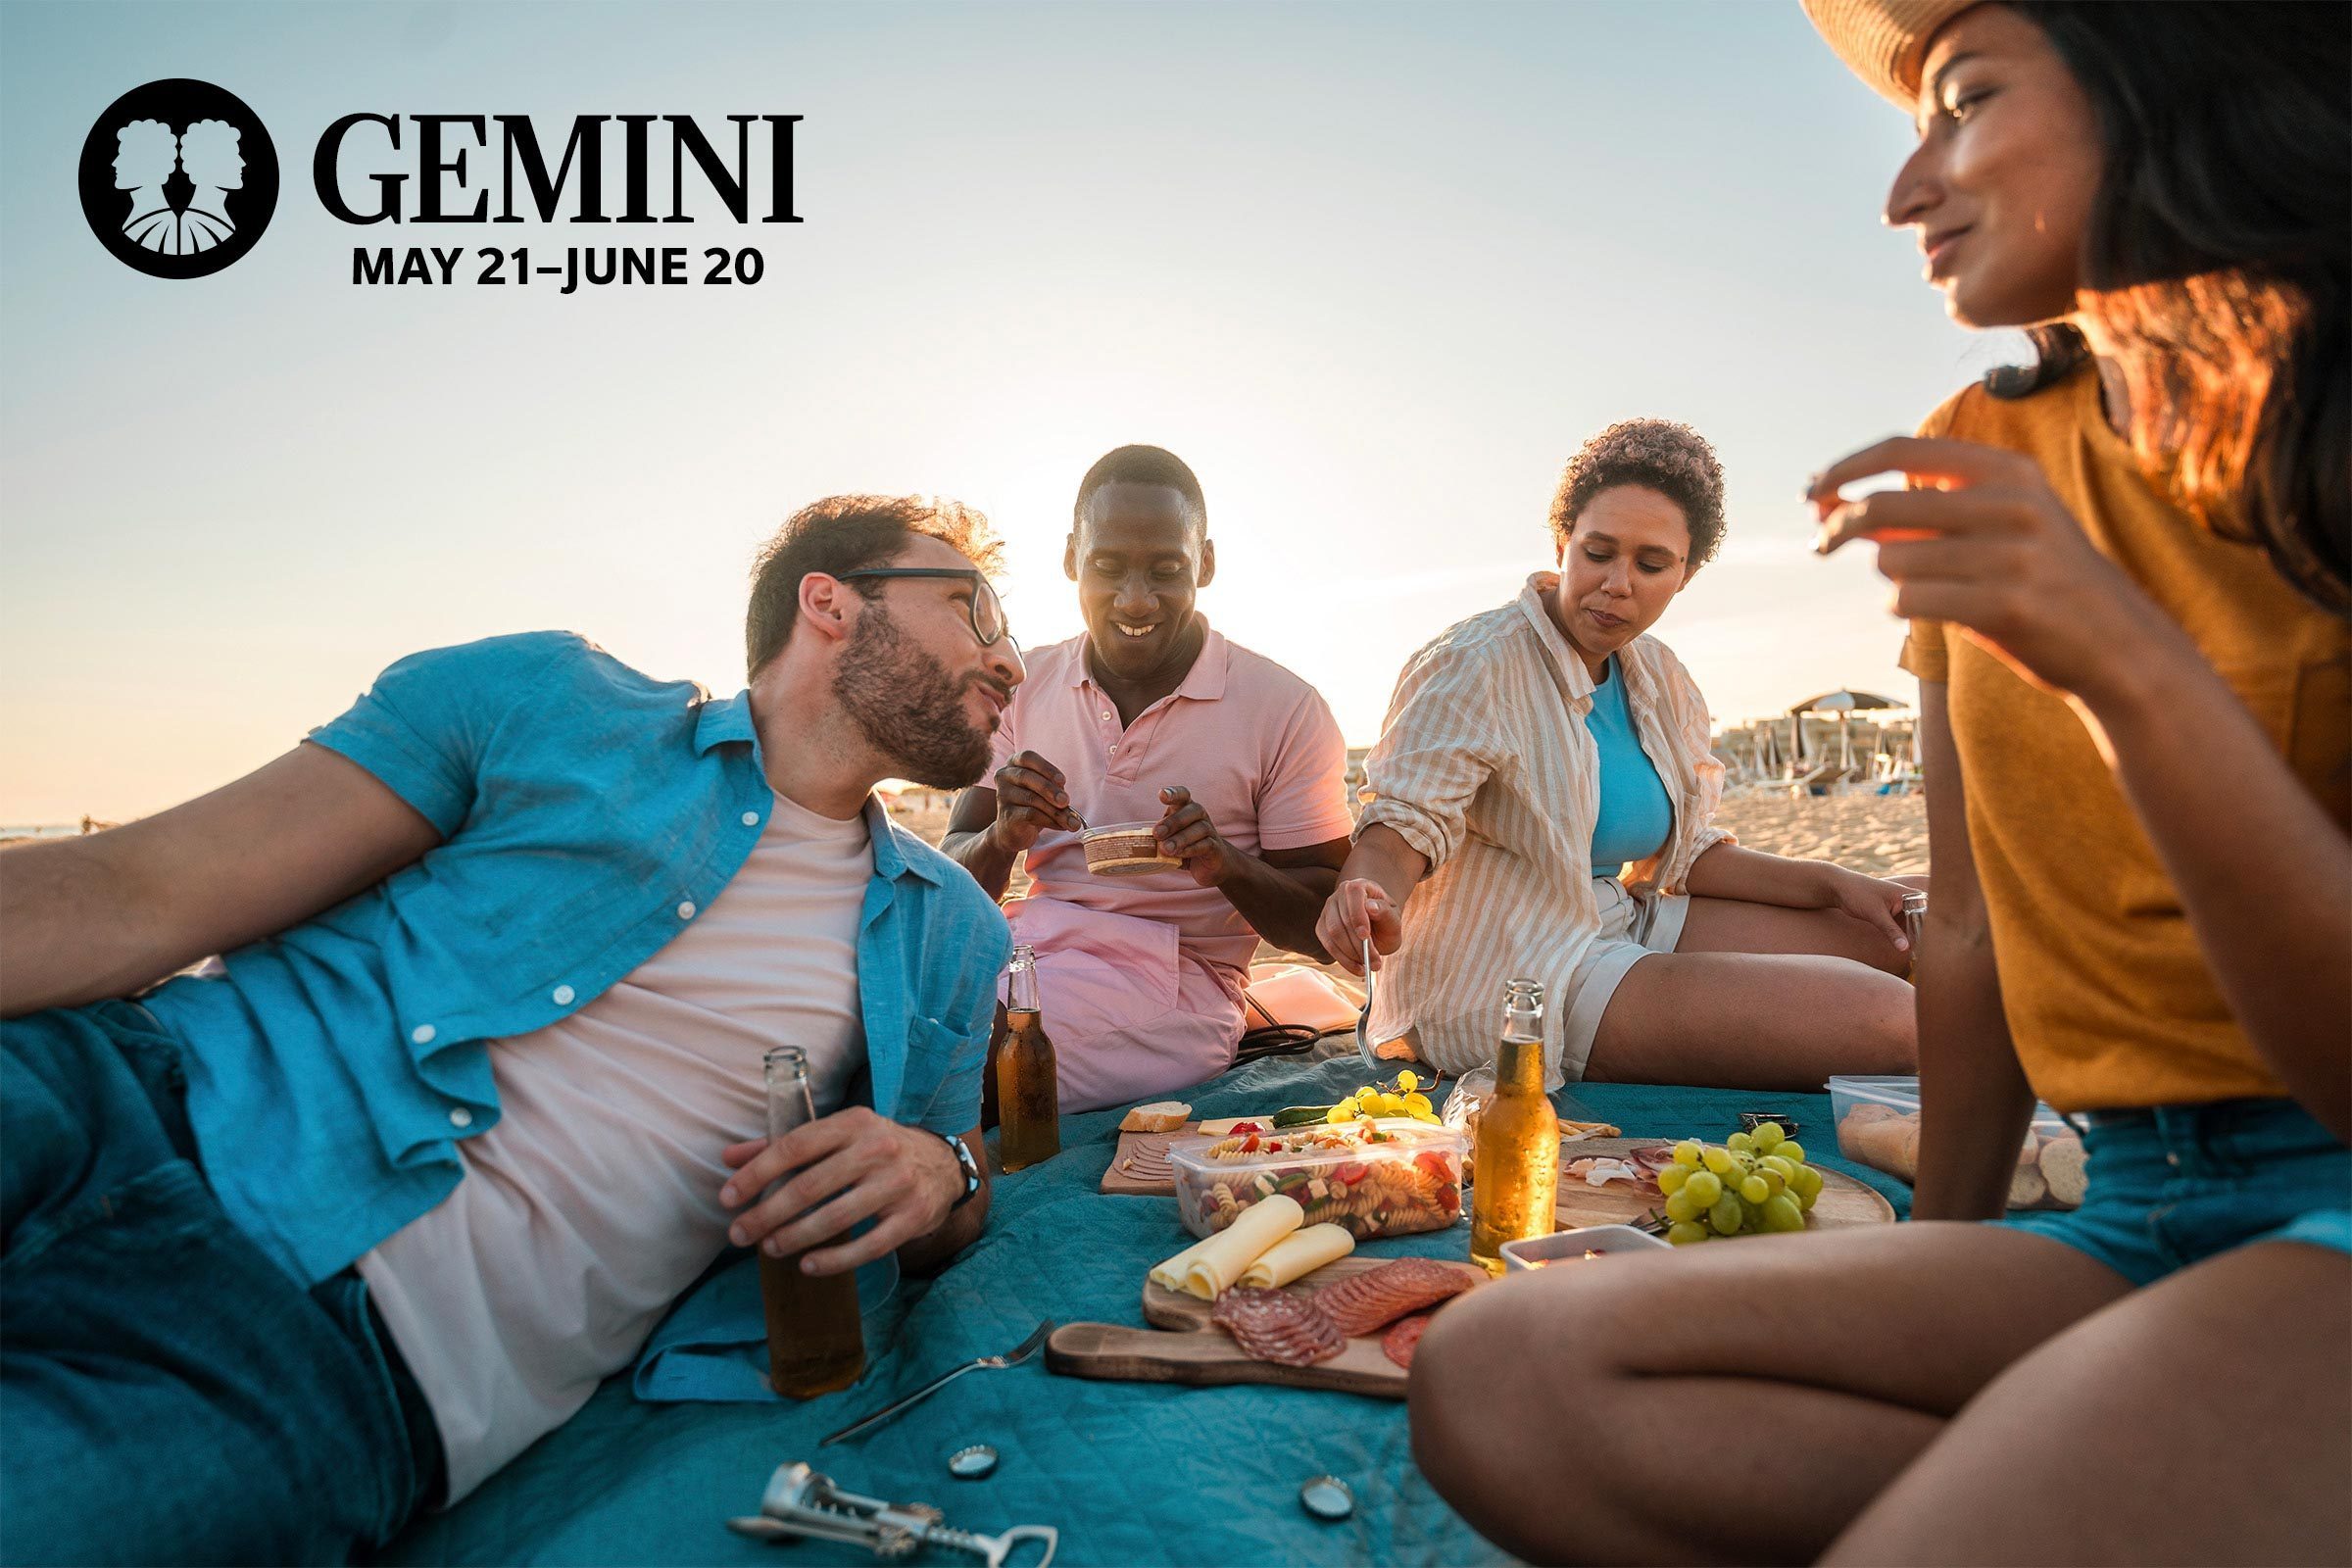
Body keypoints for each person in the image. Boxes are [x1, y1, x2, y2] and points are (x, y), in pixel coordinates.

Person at [1411, 4, 2350, 1563]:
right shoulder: (1982, 446)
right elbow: (1969, 927)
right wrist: (1944, 1265)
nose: (1907, 186)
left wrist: (2125, 663)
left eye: (1966, 100)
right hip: (2134, 1202)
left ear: (2168, 79)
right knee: (1506, 1372)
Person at [0, 495, 1024, 1560]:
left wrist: (940, 1170)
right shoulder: (552, 700)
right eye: (976, 610)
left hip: (338, 1371)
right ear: (831, 602)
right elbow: (146, 890)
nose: (1011, 663)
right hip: (122, 1098)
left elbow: (956, 1177)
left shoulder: (949, 932)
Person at [1315, 418, 1920, 1092]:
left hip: (1622, 918)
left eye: (1650, 564)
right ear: (1562, 543)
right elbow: (1403, 825)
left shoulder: (1657, 677)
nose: (1617, 583)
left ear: (1684, 574)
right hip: (1516, 967)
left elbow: (1688, 857)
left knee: (1917, 921)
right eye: (1598, 553)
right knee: (1896, 1023)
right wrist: (1366, 892)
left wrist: (1834, 883)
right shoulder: (1474, 663)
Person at [942, 445, 1355, 1112]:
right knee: (868, 1009)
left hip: (1182, 983)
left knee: (961, 1057)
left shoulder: (1283, 707)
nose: (1136, 599)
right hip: (1026, 949)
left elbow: (1321, 928)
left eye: (1166, 570)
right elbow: (952, 885)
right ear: (1073, 557)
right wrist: (1001, 835)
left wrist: (1226, 866)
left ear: (1207, 564)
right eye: (1107, 567)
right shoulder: (1023, 685)